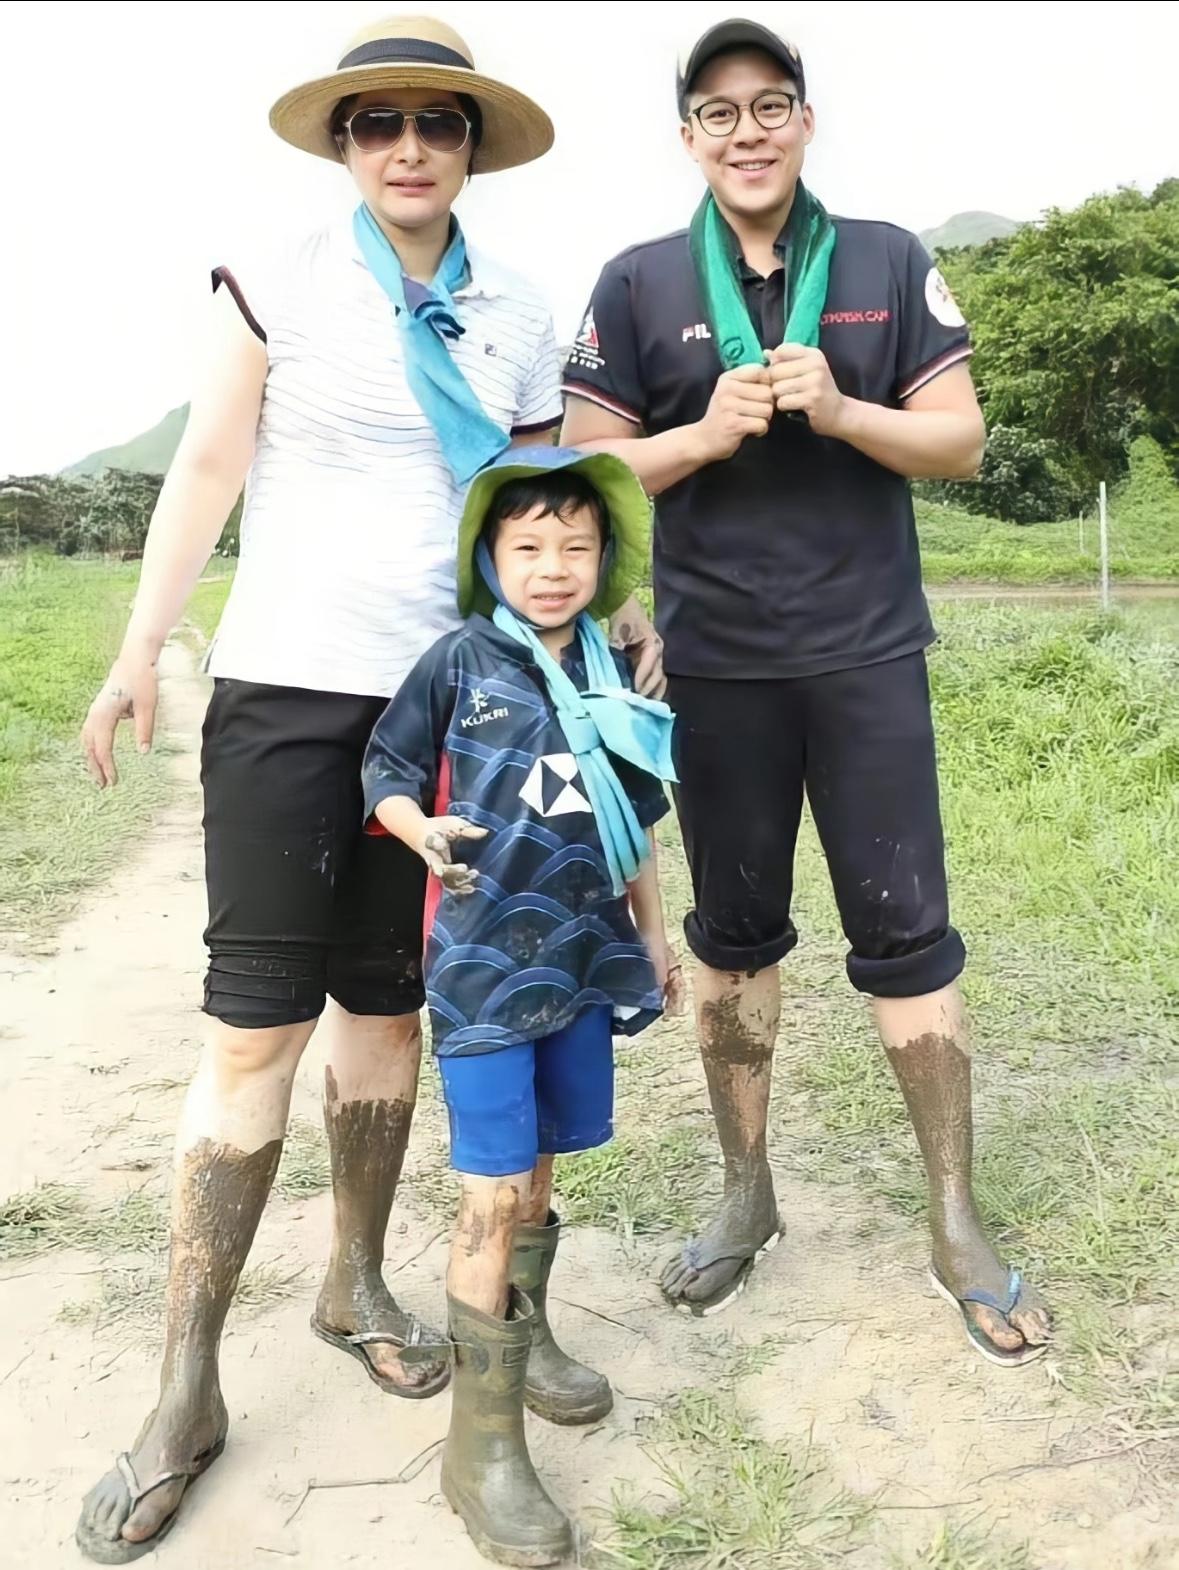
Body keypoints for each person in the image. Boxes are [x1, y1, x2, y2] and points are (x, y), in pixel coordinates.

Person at [74, 16, 655, 1564]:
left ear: (473, 146)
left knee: (398, 1014)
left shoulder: (522, 308)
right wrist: (144, 650)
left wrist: (600, 632)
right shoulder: (277, 274)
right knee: (254, 1027)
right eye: (378, 121)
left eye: (438, 123)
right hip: (283, 688)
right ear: (342, 143)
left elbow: (533, 512)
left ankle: (359, 1280)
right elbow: (208, 466)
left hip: (458, 707)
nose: (408, 144)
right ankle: (185, 1387)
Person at [561, 19, 1053, 1365]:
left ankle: (952, 1211)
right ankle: (745, 1188)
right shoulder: (635, 279)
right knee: (730, 943)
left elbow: (955, 439)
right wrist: (704, 436)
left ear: (803, 120)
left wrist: (839, 413)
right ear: (687, 140)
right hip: (712, 667)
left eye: (767, 104)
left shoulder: (887, 260)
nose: (745, 130)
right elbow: (590, 479)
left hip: (864, 655)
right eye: (715, 114)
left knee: (909, 934)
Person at [362, 445, 680, 1565]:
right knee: (491, 1194)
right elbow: (386, 771)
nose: (553, 568)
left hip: (583, 964)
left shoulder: (614, 672)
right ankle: (480, 1449)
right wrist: (422, 834)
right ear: (490, 557)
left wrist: (650, 929)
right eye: (529, 547)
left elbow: (631, 816)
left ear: (606, 560)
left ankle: (527, 1335)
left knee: (544, 1165)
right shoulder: (459, 660)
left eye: (576, 547)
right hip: (487, 974)